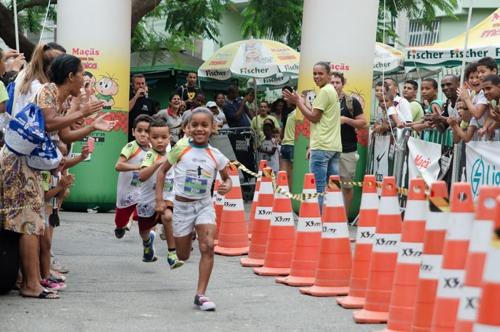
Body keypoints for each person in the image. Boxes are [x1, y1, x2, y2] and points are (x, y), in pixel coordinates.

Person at [0, 54, 115, 299]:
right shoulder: (48, 91)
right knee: (29, 223)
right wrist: (81, 111)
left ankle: (30, 280)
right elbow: (49, 123)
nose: (84, 80)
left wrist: (92, 125)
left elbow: (65, 136)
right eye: (82, 74)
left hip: (30, 165)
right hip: (18, 163)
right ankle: (31, 284)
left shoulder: (60, 98)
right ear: (70, 76)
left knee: (32, 223)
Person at [155, 107, 232, 311]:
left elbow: (227, 177)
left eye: (204, 125)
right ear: (187, 128)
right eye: (195, 125)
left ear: (213, 128)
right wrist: (159, 200)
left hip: (204, 205)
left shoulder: (216, 155)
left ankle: (201, 294)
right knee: (183, 256)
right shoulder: (180, 150)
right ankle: (181, 232)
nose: (199, 129)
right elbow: (162, 173)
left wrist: (227, 185)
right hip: (181, 207)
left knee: (208, 245)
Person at [283, 61, 342, 208]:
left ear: (329, 75)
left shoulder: (324, 92)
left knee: (318, 189)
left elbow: (314, 117)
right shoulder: (330, 91)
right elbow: (318, 114)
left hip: (322, 147)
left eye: (320, 73)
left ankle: (318, 223)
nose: (316, 76)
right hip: (333, 147)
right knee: (333, 189)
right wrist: (301, 102)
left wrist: (298, 102)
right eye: (314, 73)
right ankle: (332, 222)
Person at [137, 116, 183, 268]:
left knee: (168, 217)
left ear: (170, 137)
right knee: (144, 231)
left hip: (167, 197)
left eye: (164, 137)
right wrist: (156, 164)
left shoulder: (172, 153)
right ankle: (147, 242)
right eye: (155, 137)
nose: (160, 141)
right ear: (149, 139)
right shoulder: (150, 155)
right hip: (147, 200)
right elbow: (142, 176)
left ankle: (172, 254)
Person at [330, 72, 366, 215]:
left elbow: (363, 122)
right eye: (331, 82)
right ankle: (329, 215)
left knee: (346, 186)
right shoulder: (322, 100)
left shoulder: (351, 102)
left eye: (337, 82)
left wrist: (346, 120)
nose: (334, 85)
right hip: (327, 148)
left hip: (347, 149)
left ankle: (343, 218)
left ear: (343, 83)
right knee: (327, 184)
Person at [114, 114, 152, 239]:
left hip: (143, 191)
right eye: (139, 130)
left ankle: (147, 238)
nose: (143, 134)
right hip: (127, 191)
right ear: (133, 132)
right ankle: (120, 227)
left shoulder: (153, 150)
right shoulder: (131, 147)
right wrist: (138, 167)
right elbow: (118, 166)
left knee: (143, 213)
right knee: (120, 220)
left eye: (147, 131)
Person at [128, 74, 157, 142]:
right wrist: (136, 96)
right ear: (133, 85)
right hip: (129, 136)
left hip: (145, 137)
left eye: (142, 83)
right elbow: (127, 110)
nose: (141, 85)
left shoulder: (150, 101)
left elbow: (153, 118)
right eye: (138, 84)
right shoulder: (128, 97)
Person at [280, 109, 296, 189]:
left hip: (285, 144)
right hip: (292, 145)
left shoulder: (292, 113)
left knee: (284, 174)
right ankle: (292, 197)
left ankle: (282, 197)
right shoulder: (301, 114)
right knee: (294, 174)